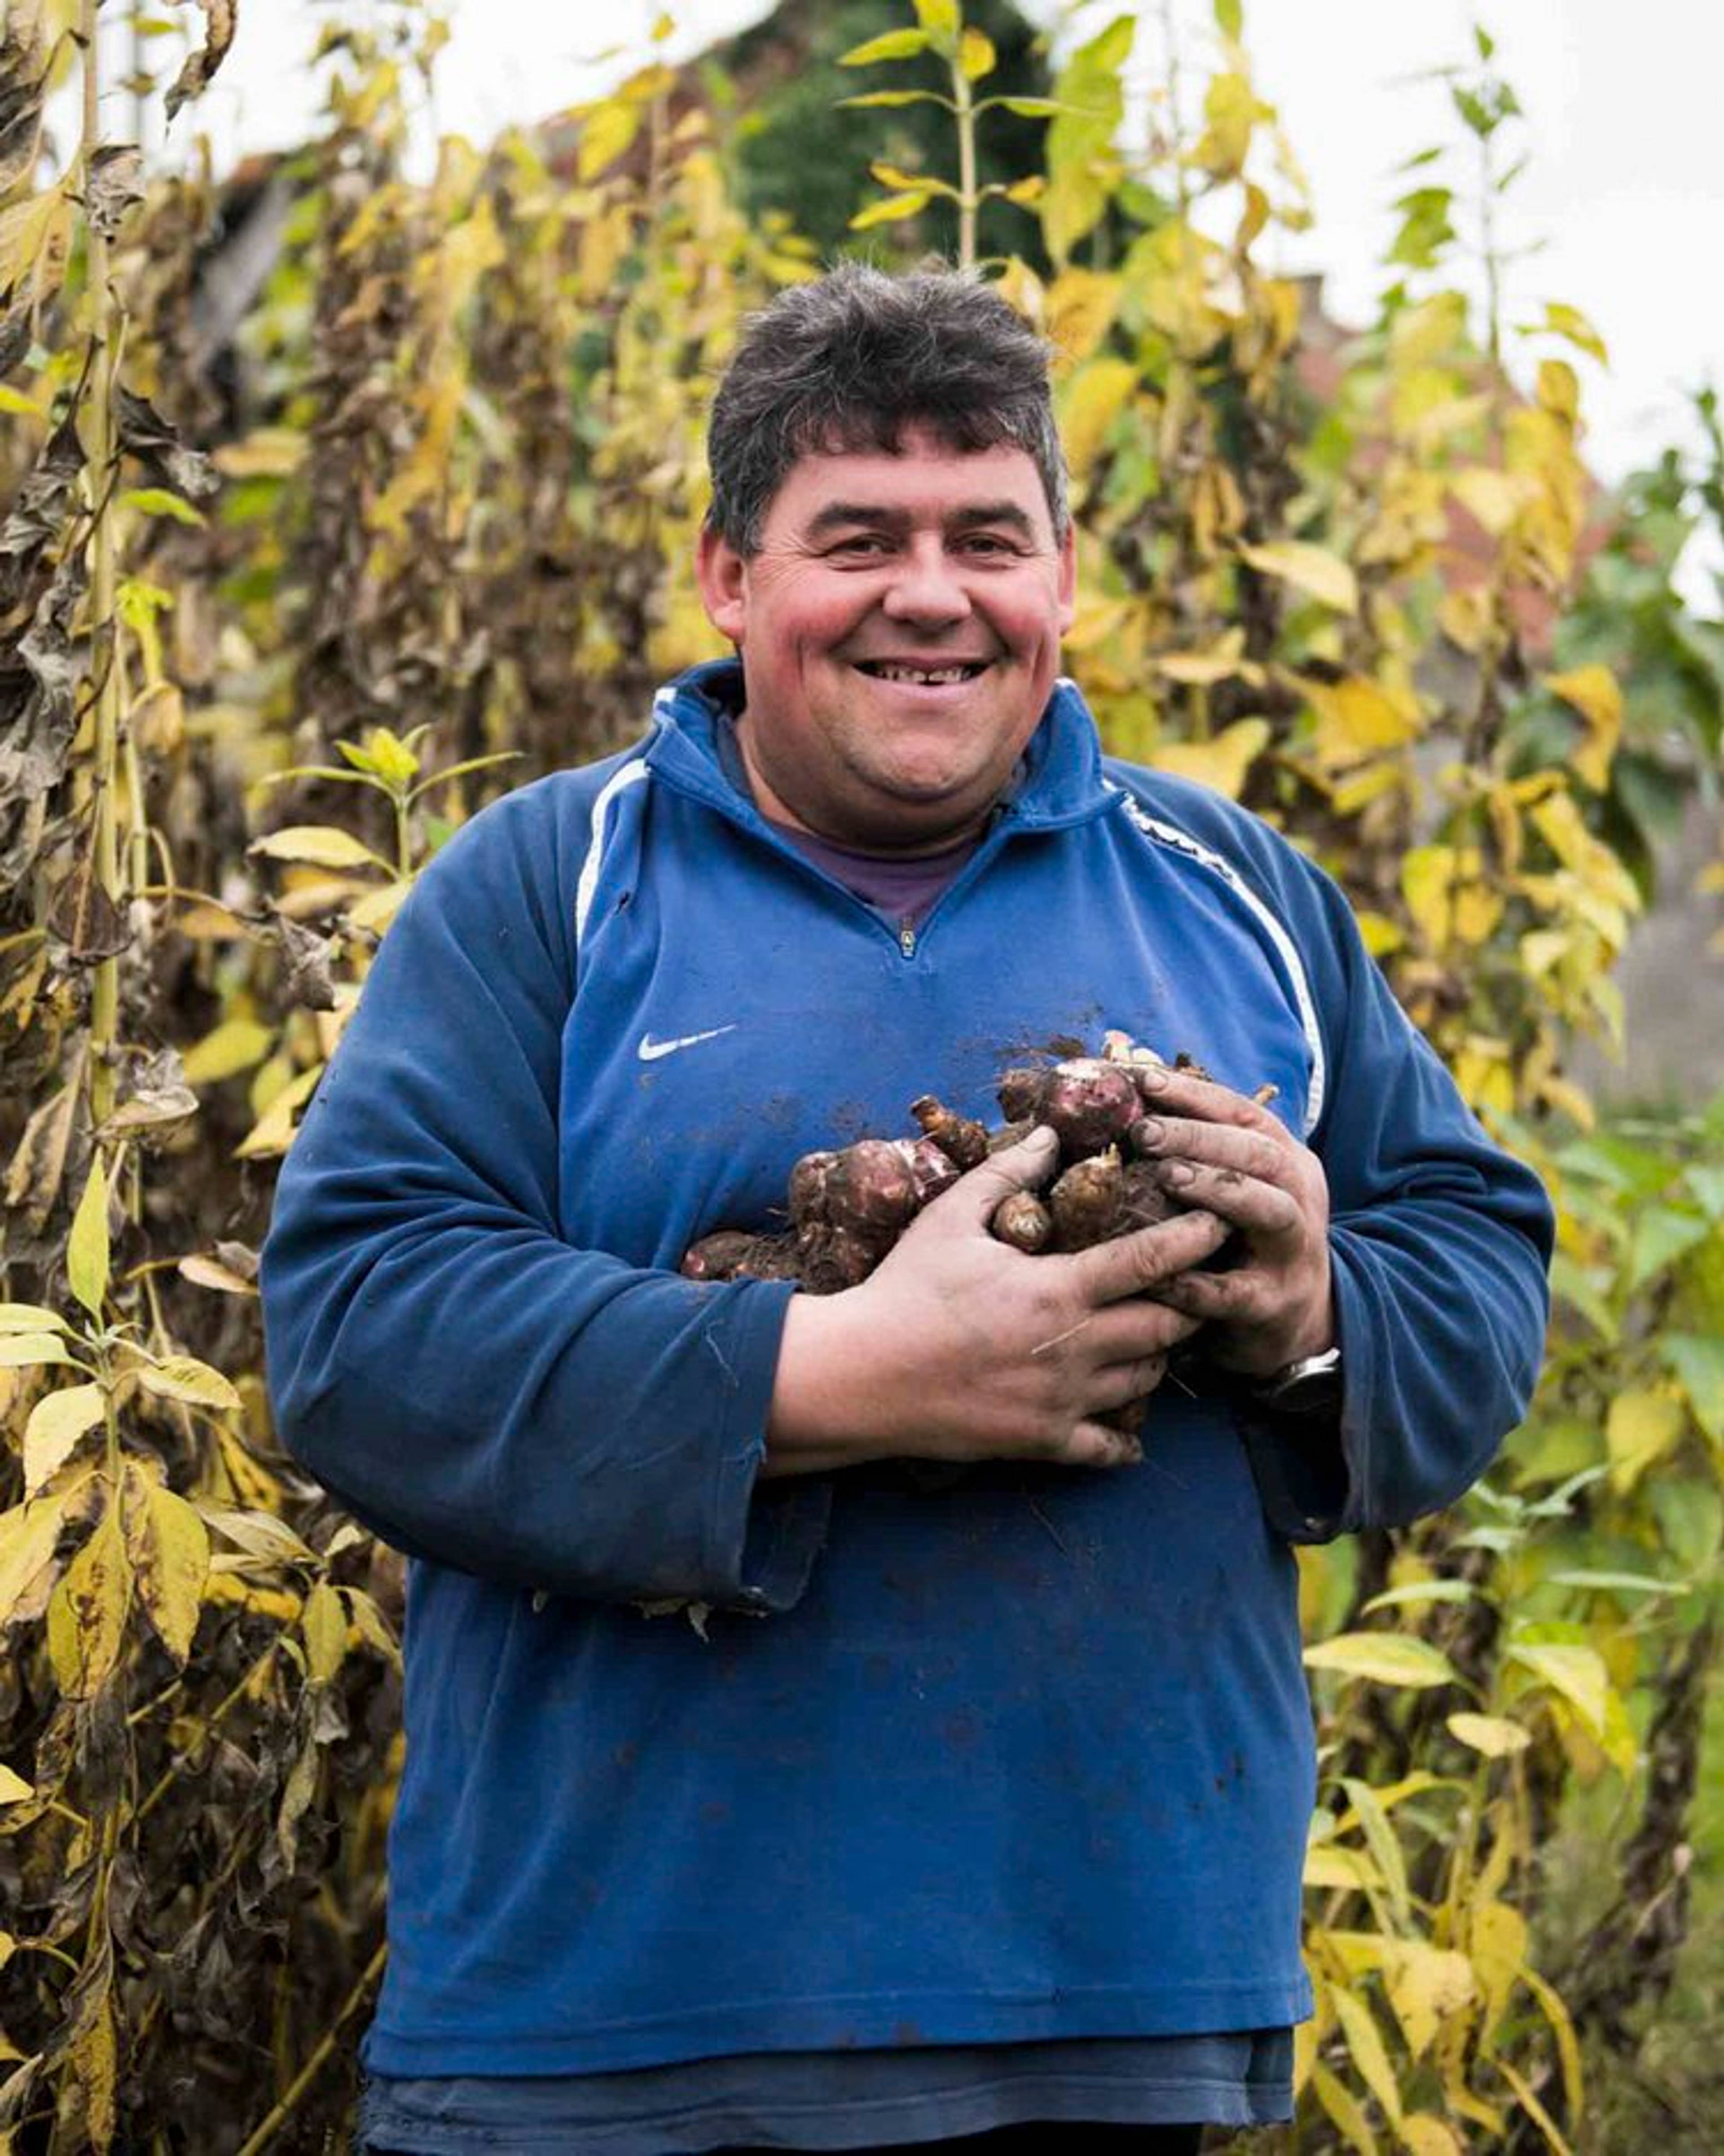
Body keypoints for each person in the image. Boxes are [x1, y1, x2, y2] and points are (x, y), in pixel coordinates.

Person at [260, 263, 1553, 2156]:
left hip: (1106, 2004)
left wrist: (1306, 1304)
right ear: (730, 575)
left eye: (986, 536)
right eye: (854, 535)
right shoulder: (547, 886)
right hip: (608, 2017)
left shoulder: (1239, 891)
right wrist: (843, 1368)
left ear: (1062, 575)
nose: (929, 594)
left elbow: (1473, 1259)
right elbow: (365, 1332)